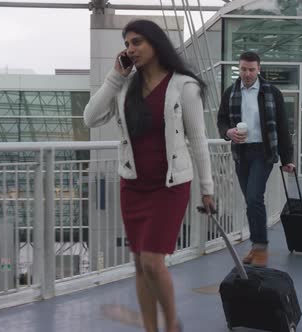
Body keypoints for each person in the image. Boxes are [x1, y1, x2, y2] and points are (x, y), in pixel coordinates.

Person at [83, 19, 215, 332]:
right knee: (140, 265)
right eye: (127, 44)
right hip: (133, 186)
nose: (131, 49)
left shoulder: (185, 85)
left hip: (169, 186)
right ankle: (150, 328)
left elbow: (198, 140)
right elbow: (90, 117)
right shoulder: (125, 86)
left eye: (137, 42)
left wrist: (207, 189)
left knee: (153, 262)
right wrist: (116, 76)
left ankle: (171, 326)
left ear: (155, 44)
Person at [217, 51, 294, 268]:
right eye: (243, 69)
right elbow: (221, 120)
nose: (247, 73)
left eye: (251, 69)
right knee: (250, 201)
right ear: (238, 69)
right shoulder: (230, 92)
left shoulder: (271, 92)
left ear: (259, 69)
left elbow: (282, 126)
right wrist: (228, 132)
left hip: (264, 152)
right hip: (241, 152)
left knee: (254, 198)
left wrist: (287, 158)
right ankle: (256, 245)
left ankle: (260, 247)